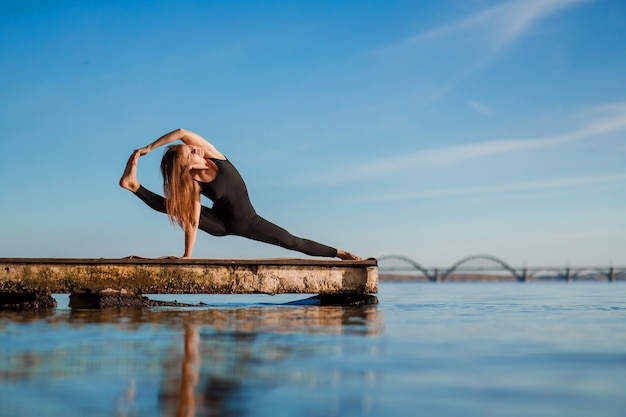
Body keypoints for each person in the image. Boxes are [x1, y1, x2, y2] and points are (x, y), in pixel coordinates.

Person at [119, 128, 361, 260]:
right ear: (187, 167)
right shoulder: (194, 183)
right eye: (190, 153)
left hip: (249, 222)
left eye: (191, 147)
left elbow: (182, 131)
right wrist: (187, 256)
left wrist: (149, 147)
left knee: (291, 242)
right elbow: (193, 219)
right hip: (220, 225)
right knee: (174, 206)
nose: (194, 148)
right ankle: (134, 186)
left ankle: (339, 253)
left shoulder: (213, 154)